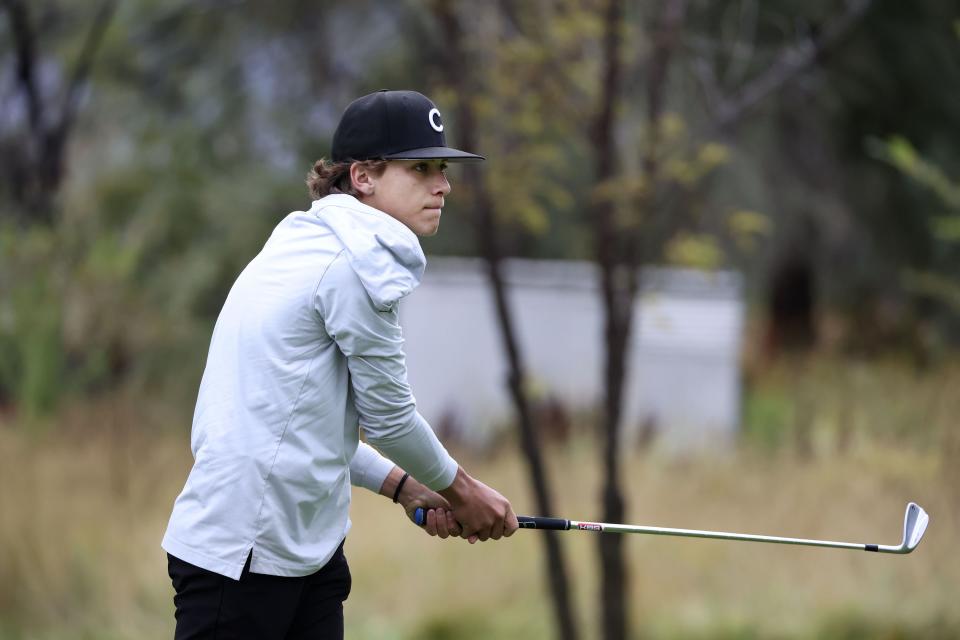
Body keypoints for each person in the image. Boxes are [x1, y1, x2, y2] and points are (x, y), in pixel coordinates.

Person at [162, 89, 519, 639]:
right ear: (363, 178)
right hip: (239, 558)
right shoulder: (355, 263)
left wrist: (404, 484)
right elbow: (391, 420)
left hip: (310, 556)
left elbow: (302, 425)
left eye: (442, 169)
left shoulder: (316, 241)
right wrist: (464, 492)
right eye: (421, 168)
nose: (443, 184)